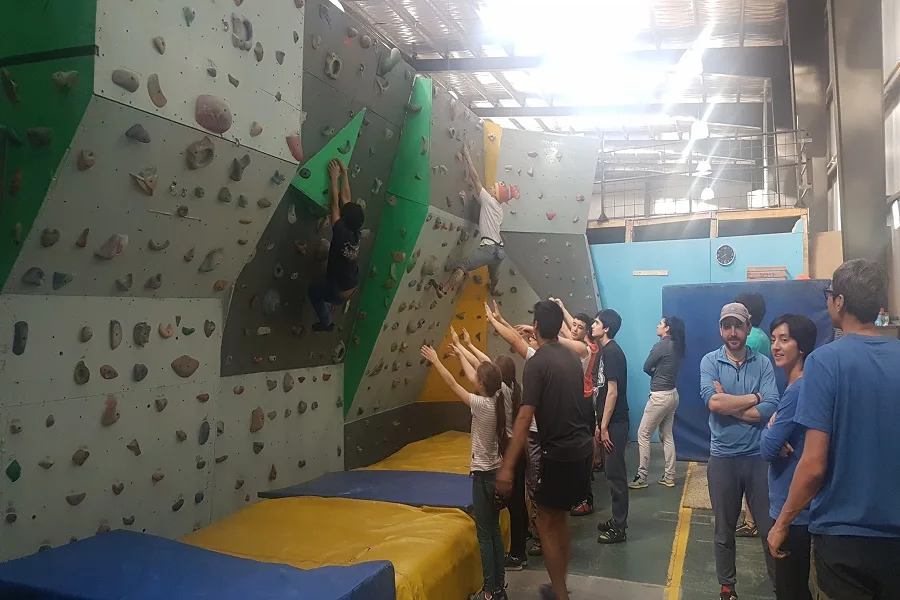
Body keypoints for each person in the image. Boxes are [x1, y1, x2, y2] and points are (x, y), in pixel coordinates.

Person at [768, 259, 900, 599]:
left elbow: (813, 464)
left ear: (839, 302)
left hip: (843, 537)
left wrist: (782, 523)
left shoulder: (825, 362)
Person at [495, 300, 593, 600]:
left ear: (535, 328)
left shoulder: (537, 363)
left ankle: (560, 593)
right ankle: (559, 583)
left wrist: (508, 466)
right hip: (582, 451)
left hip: (559, 453)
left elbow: (524, 417)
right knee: (559, 517)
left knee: (544, 521)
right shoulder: (570, 359)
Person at [701, 302, 778, 600]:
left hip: (759, 457)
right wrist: (754, 399)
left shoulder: (763, 363)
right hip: (722, 459)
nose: (732, 332)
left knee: (769, 529)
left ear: (748, 328)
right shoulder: (710, 361)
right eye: (727, 326)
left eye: (738, 326)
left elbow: (770, 404)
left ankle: (781, 586)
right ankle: (727, 587)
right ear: (721, 329)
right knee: (724, 530)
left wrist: (732, 404)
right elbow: (713, 403)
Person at [420, 343, 508, 600]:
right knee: (494, 530)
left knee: (484, 534)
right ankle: (500, 585)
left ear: (482, 384)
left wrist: (436, 360)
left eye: (477, 379)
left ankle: (489, 592)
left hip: (483, 476)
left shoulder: (481, 405)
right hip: (496, 472)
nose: (473, 380)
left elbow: (452, 384)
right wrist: (460, 353)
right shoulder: (498, 395)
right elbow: (473, 376)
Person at [452, 325, 530, 572]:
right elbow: (484, 365)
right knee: (516, 503)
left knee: (514, 505)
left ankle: (517, 554)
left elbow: (480, 370)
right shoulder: (512, 388)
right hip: (516, 452)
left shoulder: (501, 393)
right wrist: (467, 345)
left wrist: (463, 349)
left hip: (510, 453)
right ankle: (519, 548)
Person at [760, 314, 817, 600]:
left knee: (790, 590)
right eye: (773, 340)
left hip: (791, 511)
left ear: (802, 346)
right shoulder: (800, 387)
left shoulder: (797, 391)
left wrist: (768, 430)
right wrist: (770, 430)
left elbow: (768, 449)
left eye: (785, 340)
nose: (776, 347)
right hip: (796, 508)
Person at [485, 301, 545, 558]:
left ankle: (532, 539)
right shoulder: (517, 386)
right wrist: (500, 322)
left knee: (529, 492)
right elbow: (516, 340)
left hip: (526, 441)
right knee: (526, 493)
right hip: (527, 442)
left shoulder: (535, 365)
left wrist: (494, 322)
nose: (526, 343)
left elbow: (486, 361)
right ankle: (528, 536)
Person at [432, 144, 519, 298]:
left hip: (488, 249)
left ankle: (443, 289)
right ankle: (493, 289)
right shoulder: (500, 210)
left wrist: (467, 156)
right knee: (494, 275)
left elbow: (475, 178)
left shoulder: (488, 200)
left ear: (496, 195)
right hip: (499, 251)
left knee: (463, 265)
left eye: (493, 187)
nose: (491, 187)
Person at [630, 316, 686, 490]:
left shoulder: (660, 346)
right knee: (667, 435)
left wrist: (655, 372)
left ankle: (642, 476)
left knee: (643, 434)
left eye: (660, 323)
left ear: (667, 328)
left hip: (659, 397)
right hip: (672, 395)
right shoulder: (677, 345)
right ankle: (669, 476)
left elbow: (647, 367)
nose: (657, 325)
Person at [309, 159, 364, 332]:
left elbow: (335, 202)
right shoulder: (355, 231)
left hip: (339, 291)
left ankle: (326, 323)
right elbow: (346, 199)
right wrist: (345, 173)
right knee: (327, 249)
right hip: (351, 283)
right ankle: (334, 299)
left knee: (313, 291)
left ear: (344, 220)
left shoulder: (340, 231)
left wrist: (334, 177)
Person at [733, 291, 770, 537]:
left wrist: (727, 401)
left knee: (748, 468)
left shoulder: (752, 339)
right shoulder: (762, 336)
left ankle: (751, 520)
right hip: (755, 401)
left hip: (748, 404)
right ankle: (752, 519)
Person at [591, 309, 630, 544]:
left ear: (606, 328)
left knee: (616, 475)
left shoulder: (612, 352)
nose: (592, 326)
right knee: (610, 472)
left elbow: (612, 392)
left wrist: (604, 426)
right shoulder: (605, 351)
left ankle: (619, 527)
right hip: (607, 421)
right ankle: (616, 519)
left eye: (596, 323)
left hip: (615, 423)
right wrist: (599, 423)